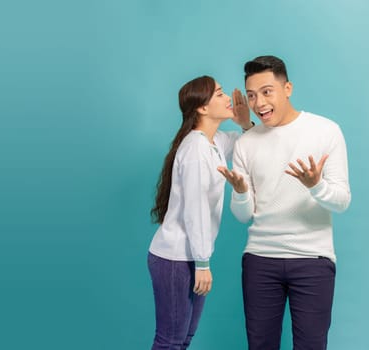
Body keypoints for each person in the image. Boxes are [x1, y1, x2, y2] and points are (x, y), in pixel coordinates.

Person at [218, 55, 351, 349]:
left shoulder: (325, 130)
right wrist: (240, 192)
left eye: (267, 91)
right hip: (260, 260)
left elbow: (342, 201)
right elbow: (243, 216)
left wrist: (316, 186)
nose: (259, 102)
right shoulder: (246, 142)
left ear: (287, 88)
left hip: (312, 260)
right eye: (251, 95)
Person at [148, 75, 252, 349]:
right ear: (202, 108)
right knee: (171, 340)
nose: (227, 97)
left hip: (191, 256)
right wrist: (202, 263)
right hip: (175, 258)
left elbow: (246, 142)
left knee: (184, 339)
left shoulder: (213, 142)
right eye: (219, 94)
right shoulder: (195, 148)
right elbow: (195, 210)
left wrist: (244, 122)